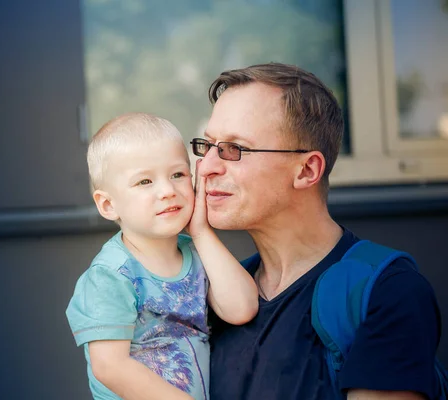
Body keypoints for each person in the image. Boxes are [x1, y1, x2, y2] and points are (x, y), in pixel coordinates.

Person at [191, 62, 442, 399]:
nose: (206, 167)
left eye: (234, 149)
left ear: (307, 170)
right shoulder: (215, 295)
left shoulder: (387, 292)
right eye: (207, 146)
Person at [65, 112, 259, 400]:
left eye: (178, 175)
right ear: (108, 205)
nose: (168, 191)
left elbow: (241, 308)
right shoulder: (110, 276)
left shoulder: (196, 253)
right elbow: (110, 366)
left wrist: (202, 233)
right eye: (145, 182)